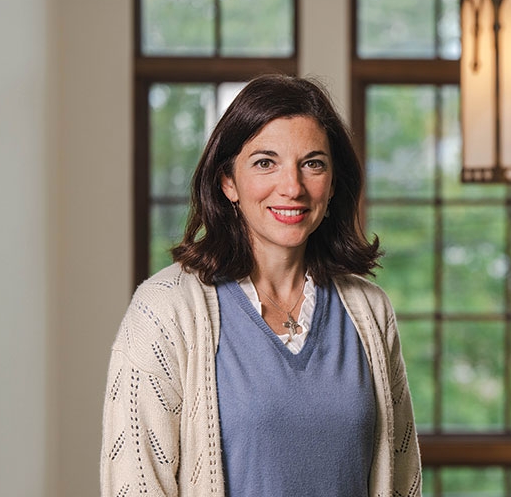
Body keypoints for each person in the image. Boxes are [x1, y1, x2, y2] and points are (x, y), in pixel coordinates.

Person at [100, 74, 422, 496]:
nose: (292, 187)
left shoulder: (370, 311)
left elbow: (401, 480)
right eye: (265, 162)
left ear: (333, 183)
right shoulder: (164, 311)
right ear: (228, 182)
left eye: (313, 163)